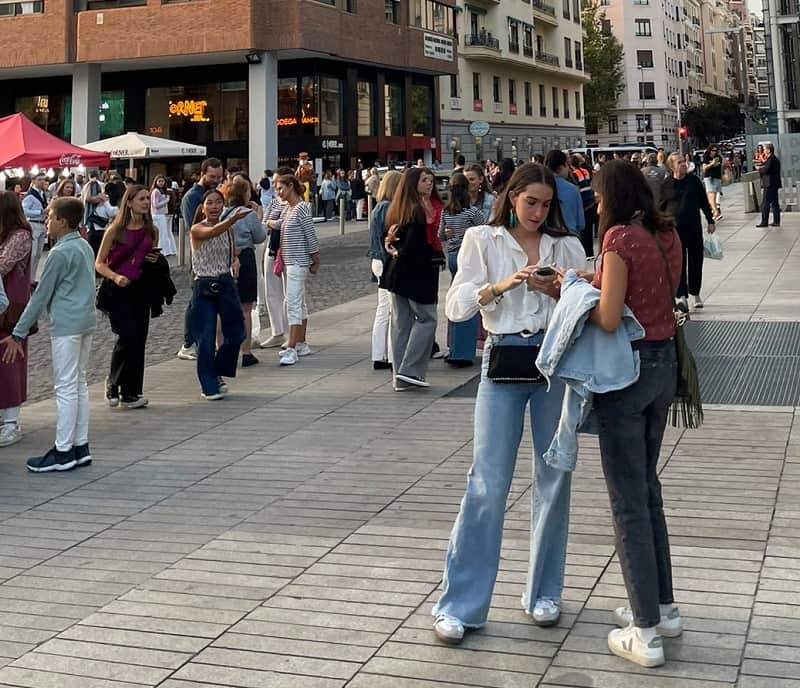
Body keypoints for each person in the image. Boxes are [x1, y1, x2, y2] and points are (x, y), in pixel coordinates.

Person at [432, 163, 586, 644]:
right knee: (487, 482)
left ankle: (544, 591)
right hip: (503, 360)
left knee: (554, 477)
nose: (538, 212)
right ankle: (460, 604)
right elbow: (455, 305)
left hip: (554, 362)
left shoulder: (568, 245)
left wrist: (558, 288)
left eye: (545, 204)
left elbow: (587, 305)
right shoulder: (483, 238)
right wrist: (505, 284)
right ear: (512, 197)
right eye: (530, 202)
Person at [578, 160, 683, 667]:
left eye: (598, 195)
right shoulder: (665, 234)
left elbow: (608, 315)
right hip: (666, 367)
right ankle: (662, 606)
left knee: (627, 502)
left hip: (629, 372)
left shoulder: (618, 238)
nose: (595, 204)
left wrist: (570, 292)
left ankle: (644, 632)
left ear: (613, 196)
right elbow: (654, 293)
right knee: (648, 488)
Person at [1, 197, 96, 472]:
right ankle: (80, 445)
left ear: (63, 222)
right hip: (85, 322)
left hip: (67, 325)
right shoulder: (83, 246)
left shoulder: (59, 253)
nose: (46, 220)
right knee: (78, 384)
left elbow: (40, 296)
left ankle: (64, 449)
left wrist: (18, 333)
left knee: (66, 387)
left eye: (50, 216)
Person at [95, 185, 160, 409]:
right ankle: (113, 382)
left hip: (140, 288)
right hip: (116, 289)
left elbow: (149, 256)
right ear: (129, 202)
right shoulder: (115, 230)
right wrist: (114, 277)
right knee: (127, 336)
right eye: (141, 199)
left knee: (139, 338)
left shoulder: (151, 230)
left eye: (147, 199)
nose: (145, 202)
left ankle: (132, 391)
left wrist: (154, 260)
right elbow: (99, 263)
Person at [380, 167, 444, 390]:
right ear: (413, 183)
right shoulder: (414, 209)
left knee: (402, 323)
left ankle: (401, 376)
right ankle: (409, 371)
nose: (429, 184)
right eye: (425, 180)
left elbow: (392, 238)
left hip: (401, 271)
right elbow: (409, 244)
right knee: (427, 319)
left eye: (431, 180)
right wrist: (396, 249)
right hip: (415, 271)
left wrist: (393, 247)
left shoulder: (405, 207)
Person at [189, 190, 248, 399]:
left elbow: (231, 251)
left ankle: (217, 370)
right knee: (205, 337)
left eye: (218, 203)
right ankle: (209, 384)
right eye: (210, 203)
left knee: (237, 332)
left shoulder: (228, 230)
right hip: (204, 284)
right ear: (203, 207)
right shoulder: (197, 229)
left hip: (225, 283)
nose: (214, 207)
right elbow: (212, 232)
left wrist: (234, 261)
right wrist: (232, 219)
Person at [178, 158, 224, 361]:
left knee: (206, 301)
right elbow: (194, 228)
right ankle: (188, 343)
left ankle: (204, 341)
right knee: (196, 301)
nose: (215, 180)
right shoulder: (192, 197)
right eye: (212, 177)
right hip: (200, 256)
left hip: (216, 258)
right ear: (203, 173)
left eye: (219, 177)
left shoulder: (213, 194)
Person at [439, 173, 485, 368]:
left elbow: (440, 234)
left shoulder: (446, 212)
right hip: (467, 257)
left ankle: (454, 348)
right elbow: (485, 229)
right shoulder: (471, 212)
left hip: (451, 255)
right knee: (469, 300)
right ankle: (465, 350)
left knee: (456, 298)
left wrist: (450, 234)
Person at [274, 174, 320, 367]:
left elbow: (310, 234)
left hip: (297, 262)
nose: (278, 192)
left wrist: (315, 258)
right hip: (290, 261)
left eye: (280, 188)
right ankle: (300, 342)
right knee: (297, 302)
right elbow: (274, 221)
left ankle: (292, 346)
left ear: (291, 186)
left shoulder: (301, 208)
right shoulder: (287, 208)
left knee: (292, 303)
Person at [660, 153, 715, 310]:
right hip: (675, 231)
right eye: (679, 162)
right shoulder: (667, 184)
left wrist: (710, 220)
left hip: (694, 227)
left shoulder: (694, 181)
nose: (683, 164)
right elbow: (660, 206)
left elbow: (704, 202)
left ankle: (696, 293)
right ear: (672, 167)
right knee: (679, 263)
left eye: (683, 161)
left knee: (696, 261)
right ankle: (682, 296)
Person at [0, 191, 32, 448]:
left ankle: (11, 421)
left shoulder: (21, 236)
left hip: (12, 307)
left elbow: (2, 264)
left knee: (10, 360)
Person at [224, 177, 266, 367]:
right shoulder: (248, 214)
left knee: (225, 307)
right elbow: (260, 237)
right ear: (244, 194)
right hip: (246, 258)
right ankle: (246, 351)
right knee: (246, 308)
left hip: (226, 258)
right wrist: (258, 216)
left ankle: (224, 347)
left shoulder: (224, 213)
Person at [367, 170, 402, 371]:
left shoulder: (378, 208)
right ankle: (390, 355)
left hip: (376, 259)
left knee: (383, 309)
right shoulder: (389, 208)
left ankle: (379, 353)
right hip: (386, 259)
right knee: (392, 309)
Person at [545, 150, 585, 240]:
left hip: (546, 238)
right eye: (567, 165)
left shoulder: (541, 187)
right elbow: (581, 223)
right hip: (570, 236)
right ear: (561, 167)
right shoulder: (572, 189)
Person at [22, 173, 48, 282]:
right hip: (33, 223)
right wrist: (40, 211)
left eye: (43, 179)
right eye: (39, 179)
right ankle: (29, 279)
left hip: (42, 224)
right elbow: (24, 211)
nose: (42, 182)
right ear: (34, 180)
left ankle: (33, 277)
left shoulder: (42, 194)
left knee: (38, 254)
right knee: (33, 254)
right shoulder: (30, 195)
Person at [570, 154, 596, 258]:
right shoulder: (585, 171)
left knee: (582, 229)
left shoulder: (574, 174)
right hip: (590, 201)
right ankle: (590, 252)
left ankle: (585, 252)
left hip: (583, 203)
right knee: (589, 229)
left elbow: (576, 189)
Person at [81, 172, 107, 256]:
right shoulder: (93, 184)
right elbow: (88, 198)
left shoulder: (90, 185)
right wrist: (101, 199)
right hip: (95, 222)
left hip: (98, 223)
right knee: (94, 249)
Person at [756, 143, 782, 228]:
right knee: (775, 203)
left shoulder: (771, 159)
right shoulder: (774, 159)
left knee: (765, 203)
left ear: (769, 150)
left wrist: (759, 169)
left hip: (770, 184)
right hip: (774, 183)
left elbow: (766, 170)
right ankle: (776, 221)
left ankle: (764, 221)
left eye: (765, 149)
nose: (764, 150)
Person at [150, 175, 177, 257]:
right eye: (159, 181)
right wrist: (166, 200)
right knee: (162, 233)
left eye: (162, 181)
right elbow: (155, 205)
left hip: (162, 214)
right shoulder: (156, 191)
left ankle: (166, 251)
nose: (161, 183)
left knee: (164, 233)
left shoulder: (161, 191)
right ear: (156, 181)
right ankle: (163, 251)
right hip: (158, 215)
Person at [702, 144, 723, 221]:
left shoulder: (718, 157)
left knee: (713, 196)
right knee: (712, 196)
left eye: (716, 151)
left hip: (717, 178)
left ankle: (714, 212)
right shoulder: (706, 156)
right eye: (712, 150)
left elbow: (723, 165)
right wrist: (712, 163)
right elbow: (704, 168)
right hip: (709, 178)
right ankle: (716, 212)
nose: (714, 152)